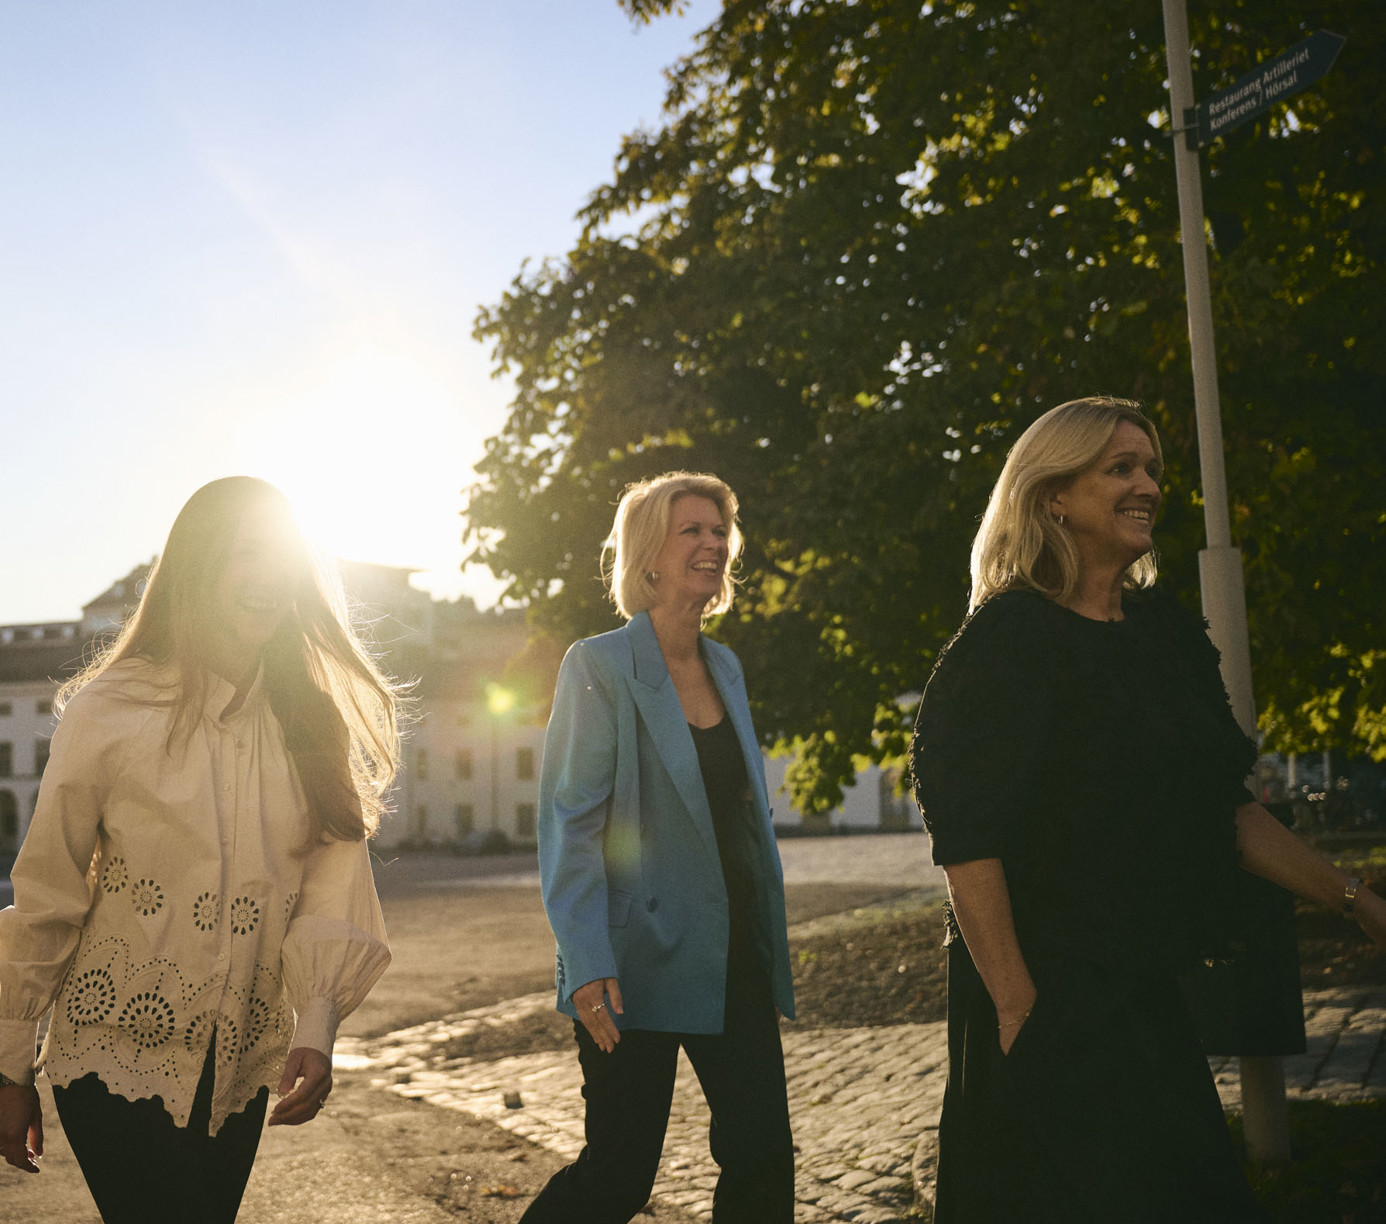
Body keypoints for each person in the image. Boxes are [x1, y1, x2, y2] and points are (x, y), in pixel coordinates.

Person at [910, 396, 1386, 1223]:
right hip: (1041, 989)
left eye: (1151, 469)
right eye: (1119, 468)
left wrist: (1357, 902)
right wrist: (1021, 1010)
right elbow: (967, 838)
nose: (1147, 485)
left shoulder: (1163, 635)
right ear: (1053, 494)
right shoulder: (1010, 638)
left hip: (1139, 987)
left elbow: (1226, 812)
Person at [0, 476, 399, 1223]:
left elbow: (334, 881)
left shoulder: (312, 723)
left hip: (238, 1069)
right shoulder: (110, 710)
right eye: (246, 555)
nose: (267, 577)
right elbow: (49, 888)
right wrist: (13, 1068)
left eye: (281, 558)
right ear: (199, 566)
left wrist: (317, 1025)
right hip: (110, 1055)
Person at [523, 471, 796, 1224]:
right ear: (648, 557)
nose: (713, 544)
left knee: (763, 1158)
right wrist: (585, 960)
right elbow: (571, 824)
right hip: (628, 965)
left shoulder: (727, 666)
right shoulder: (599, 665)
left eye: (720, 531)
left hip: (731, 953)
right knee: (618, 1176)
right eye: (693, 531)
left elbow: (737, 817)